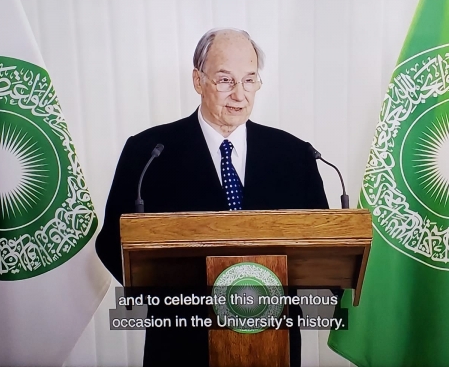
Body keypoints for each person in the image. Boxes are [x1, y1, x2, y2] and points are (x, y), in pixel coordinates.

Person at [96, 28, 329, 366]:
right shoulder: (149, 153)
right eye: (225, 80)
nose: (239, 94)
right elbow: (111, 243)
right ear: (197, 80)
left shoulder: (294, 154)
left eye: (250, 80)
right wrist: (170, 302)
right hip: (180, 342)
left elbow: (320, 245)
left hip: (272, 340)